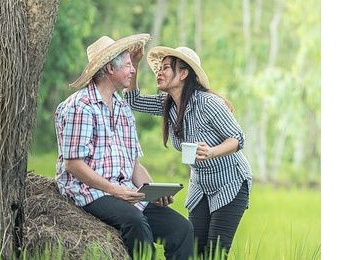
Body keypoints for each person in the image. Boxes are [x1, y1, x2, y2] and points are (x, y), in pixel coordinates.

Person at [54, 34, 194, 259]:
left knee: (182, 229)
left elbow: (133, 163)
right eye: (129, 65)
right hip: (90, 192)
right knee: (135, 222)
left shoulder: (122, 108)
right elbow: (73, 164)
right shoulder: (80, 107)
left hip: (123, 190)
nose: (132, 70)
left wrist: (153, 190)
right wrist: (113, 189)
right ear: (110, 68)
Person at [123, 46, 253, 259]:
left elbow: (238, 139)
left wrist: (211, 151)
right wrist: (135, 63)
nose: (159, 72)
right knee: (194, 251)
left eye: (166, 68)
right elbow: (132, 100)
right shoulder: (168, 105)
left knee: (215, 254)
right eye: (159, 68)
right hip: (200, 184)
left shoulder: (208, 103)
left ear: (183, 74)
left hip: (230, 182)